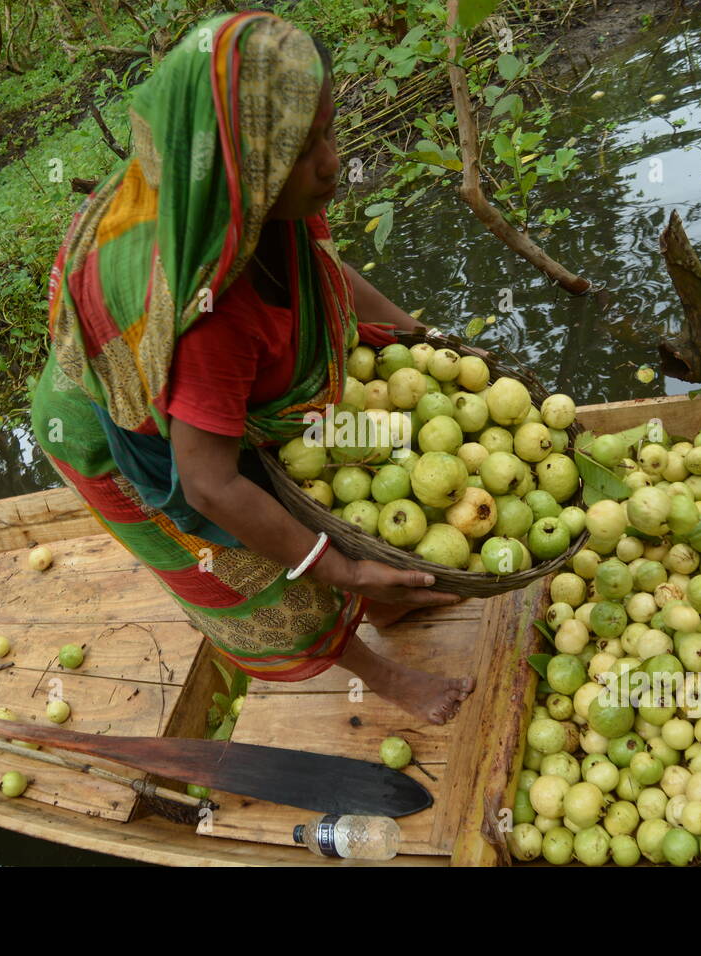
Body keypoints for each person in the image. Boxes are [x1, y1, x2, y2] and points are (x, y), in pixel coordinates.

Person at [30, 10, 475, 724]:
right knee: (268, 575)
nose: (331, 161)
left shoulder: (265, 197)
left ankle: (381, 602)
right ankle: (378, 674)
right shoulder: (212, 311)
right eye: (305, 149)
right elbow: (209, 485)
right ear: (242, 167)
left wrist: (419, 338)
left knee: (328, 498)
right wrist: (341, 566)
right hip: (122, 438)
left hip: (199, 403)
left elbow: (325, 271)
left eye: (328, 130)